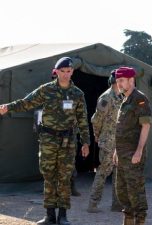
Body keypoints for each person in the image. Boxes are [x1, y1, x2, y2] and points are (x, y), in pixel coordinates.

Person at [0, 57, 90, 225]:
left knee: (64, 177)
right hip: (48, 139)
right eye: (62, 71)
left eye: (69, 71)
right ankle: (49, 216)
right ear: (56, 72)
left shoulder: (77, 94)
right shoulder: (46, 90)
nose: (65, 74)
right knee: (49, 176)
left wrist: (86, 142)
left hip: (68, 141)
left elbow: (82, 119)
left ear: (72, 72)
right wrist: (9, 107)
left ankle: (63, 216)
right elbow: (26, 102)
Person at [113, 67, 151, 225]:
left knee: (136, 193)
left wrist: (139, 151)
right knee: (122, 193)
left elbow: (146, 126)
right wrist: (116, 150)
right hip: (122, 155)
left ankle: (140, 221)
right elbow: (122, 128)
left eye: (122, 80)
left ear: (131, 80)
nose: (119, 84)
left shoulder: (139, 99)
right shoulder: (124, 99)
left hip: (133, 155)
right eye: (117, 81)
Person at [87, 70, 123, 213]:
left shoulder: (121, 96)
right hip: (108, 142)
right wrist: (97, 135)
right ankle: (93, 203)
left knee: (118, 173)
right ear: (116, 81)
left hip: (119, 142)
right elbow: (96, 120)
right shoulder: (106, 98)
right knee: (103, 172)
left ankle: (117, 204)